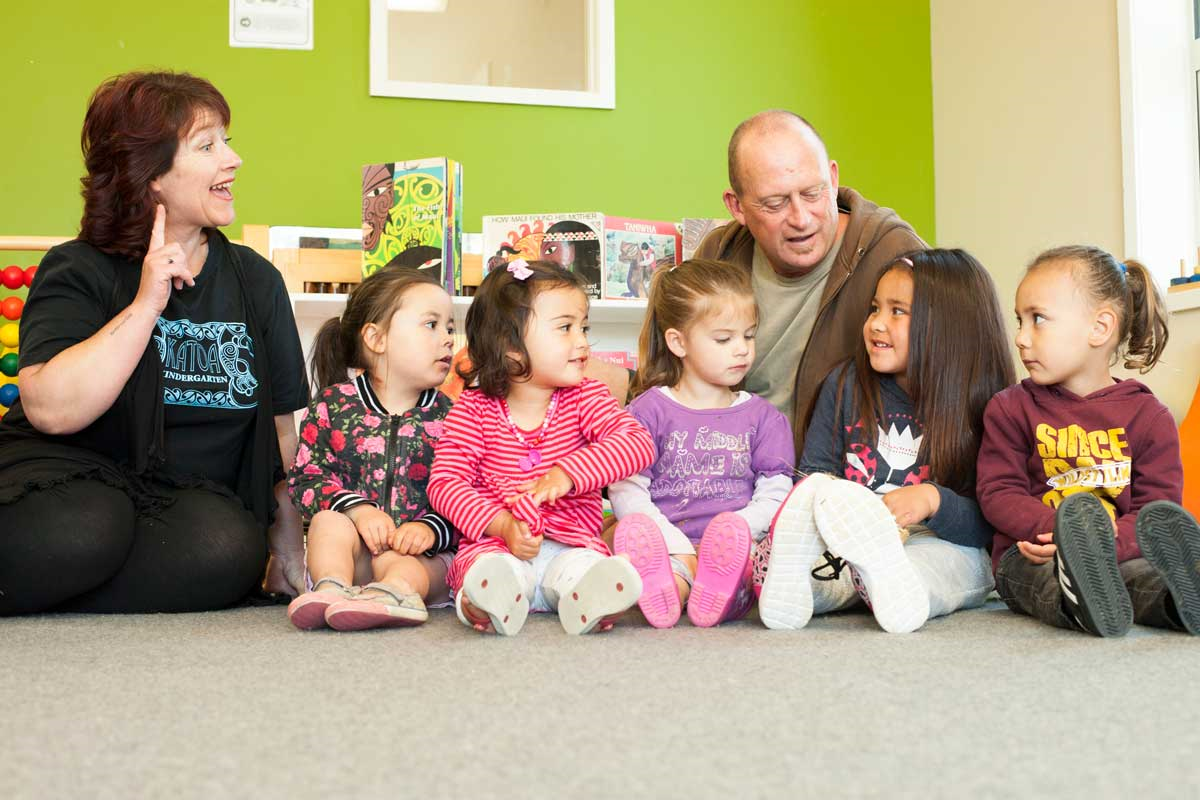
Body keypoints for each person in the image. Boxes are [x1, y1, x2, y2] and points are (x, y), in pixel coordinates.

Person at [0, 71, 308, 614]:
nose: (232, 160)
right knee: (88, 523)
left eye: (227, 141)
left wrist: (287, 537)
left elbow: (282, 425)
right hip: (62, 475)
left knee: (228, 549)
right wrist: (146, 305)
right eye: (207, 145)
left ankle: (56, 585)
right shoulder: (77, 267)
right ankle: (63, 566)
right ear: (151, 175)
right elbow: (49, 410)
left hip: (174, 500)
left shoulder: (256, 281)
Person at [756, 249, 1011, 633]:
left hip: (933, 541)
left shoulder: (986, 406)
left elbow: (989, 522)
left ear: (947, 326)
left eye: (897, 312)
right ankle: (801, 583)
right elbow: (814, 473)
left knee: (959, 567)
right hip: (848, 540)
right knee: (821, 550)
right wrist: (838, 506)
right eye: (875, 308)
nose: (876, 324)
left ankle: (890, 587)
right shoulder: (843, 386)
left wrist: (933, 500)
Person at [978, 245, 1200, 637]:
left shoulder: (1149, 418)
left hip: (1117, 552)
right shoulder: (1011, 408)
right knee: (1036, 577)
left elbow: (1156, 510)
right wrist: (1061, 533)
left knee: (1143, 575)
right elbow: (999, 492)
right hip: (1031, 550)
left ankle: (1176, 601)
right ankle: (1079, 604)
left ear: (1100, 328)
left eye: (1038, 319)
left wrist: (1103, 547)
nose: (1020, 338)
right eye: (1020, 321)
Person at [427, 259, 655, 635]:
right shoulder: (472, 409)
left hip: (572, 544)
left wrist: (569, 472)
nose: (582, 341)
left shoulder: (587, 397)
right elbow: (446, 484)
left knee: (583, 567)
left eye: (583, 327)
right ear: (510, 346)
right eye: (565, 328)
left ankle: (588, 598)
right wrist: (501, 524)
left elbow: (637, 443)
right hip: (498, 545)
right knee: (487, 570)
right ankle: (485, 603)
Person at [694, 110, 926, 446]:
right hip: (733, 476)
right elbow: (672, 376)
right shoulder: (719, 255)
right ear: (737, 207)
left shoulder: (895, 254)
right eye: (775, 204)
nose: (801, 219)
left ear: (833, 179)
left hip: (847, 480)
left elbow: (956, 376)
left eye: (812, 193)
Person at [609, 259, 794, 628]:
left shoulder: (764, 418)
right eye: (724, 339)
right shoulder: (647, 412)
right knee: (670, 572)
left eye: (749, 335)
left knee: (752, 569)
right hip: (667, 544)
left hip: (738, 546)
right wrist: (676, 542)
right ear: (678, 342)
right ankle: (669, 593)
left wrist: (733, 529)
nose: (742, 349)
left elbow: (775, 493)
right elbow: (627, 490)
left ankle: (722, 594)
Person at [285, 267, 458, 631]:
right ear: (377, 339)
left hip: (423, 560)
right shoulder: (334, 405)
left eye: (450, 327)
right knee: (328, 522)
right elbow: (306, 478)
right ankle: (332, 588)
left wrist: (430, 529)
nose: (448, 339)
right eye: (431, 324)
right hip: (356, 558)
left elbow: (466, 490)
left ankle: (395, 595)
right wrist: (358, 510)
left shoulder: (453, 415)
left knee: (404, 565)